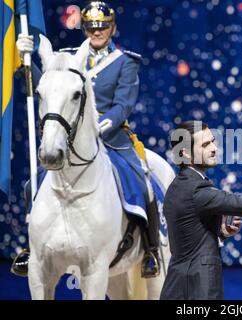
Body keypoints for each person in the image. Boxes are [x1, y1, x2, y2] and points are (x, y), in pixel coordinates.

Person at [11, 1, 160, 278]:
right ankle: (32, 246)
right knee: (35, 180)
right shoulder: (67, 57)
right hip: (71, 135)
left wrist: (104, 123)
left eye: (102, 26)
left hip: (111, 134)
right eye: (91, 26)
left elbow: (124, 103)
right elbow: (47, 86)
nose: (97, 31)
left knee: (141, 180)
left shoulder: (126, 61)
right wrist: (26, 60)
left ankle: (150, 249)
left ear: (112, 27)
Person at [160, 121, 242, 300]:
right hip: (199, 289)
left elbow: (188, 241)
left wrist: (218, 234)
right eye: (205, 144)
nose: (214, 148)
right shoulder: (197, 190)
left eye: (213, 141)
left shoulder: (178, 186)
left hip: (176, 286)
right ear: (185, 153)